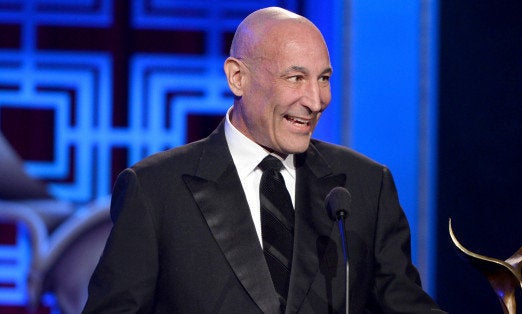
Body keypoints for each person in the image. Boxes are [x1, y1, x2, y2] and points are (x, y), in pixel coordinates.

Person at [84, 6, 444, 313]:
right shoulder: (155, 190)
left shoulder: (364, 186)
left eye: (323, 79)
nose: (316, 100)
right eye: (296, 78)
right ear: (238, 77)